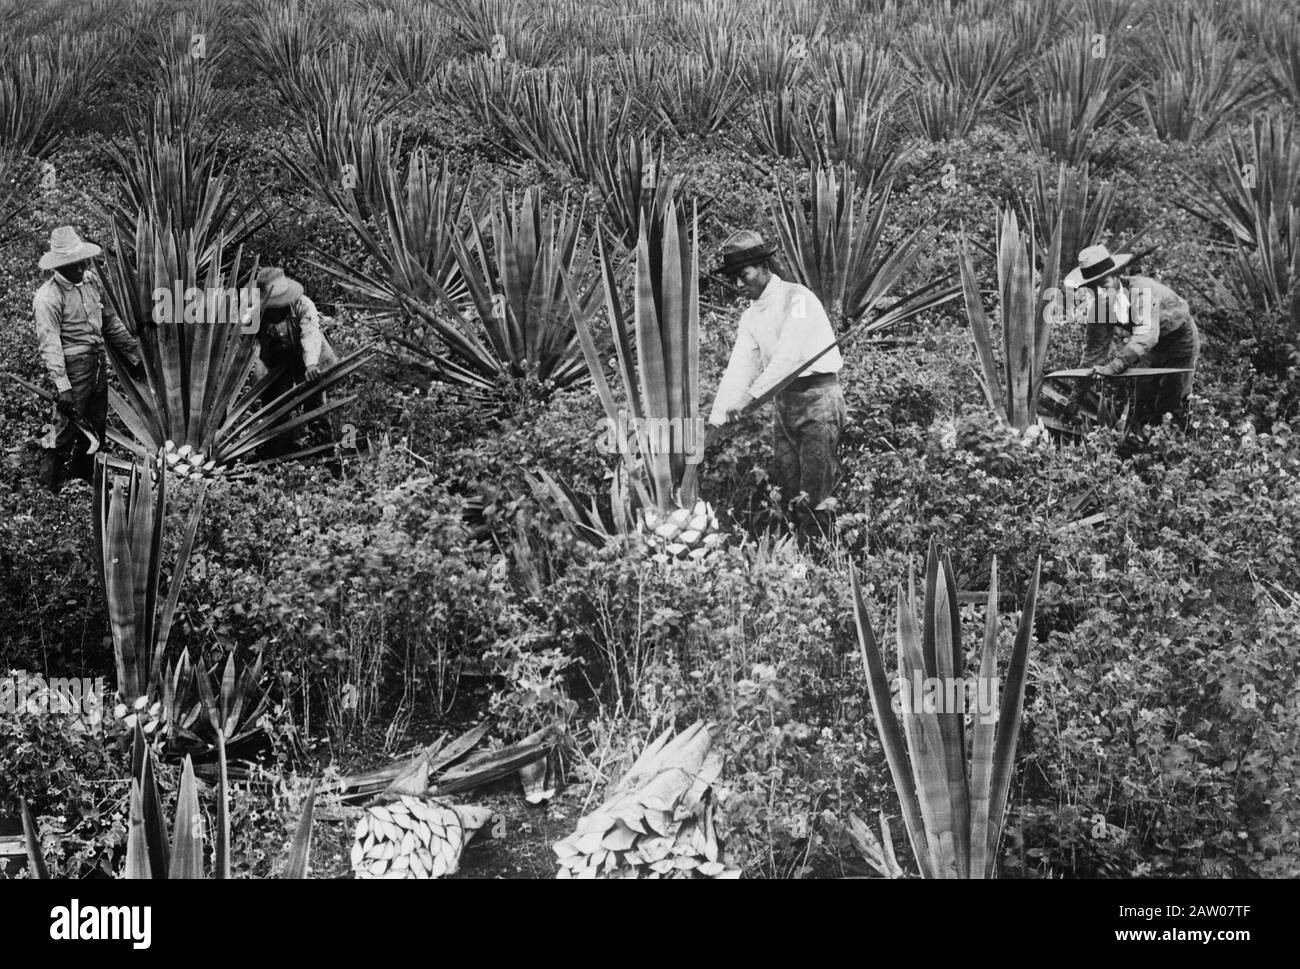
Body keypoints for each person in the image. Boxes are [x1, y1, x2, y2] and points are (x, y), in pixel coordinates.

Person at [708, 230, 845, 542]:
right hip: (784, 404)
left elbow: (789, 357)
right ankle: (796, 564)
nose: (738, 286)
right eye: (733, 279)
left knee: (815, 491)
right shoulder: (750, 317)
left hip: (818, 398)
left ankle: (821, 566)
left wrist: (750, 398)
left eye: (743, 275)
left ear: (764, 267)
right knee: (787, 489)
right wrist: (718, 419)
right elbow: (739, 367)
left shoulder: (797, 299)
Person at [31, 226, 144, 492]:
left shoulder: (92, 282)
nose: (81, 266)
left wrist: (132, 351)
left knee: (95, 428)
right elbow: (50, 345)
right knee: (61, 430)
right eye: (73, 263)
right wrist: (63, 387)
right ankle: (46, 491)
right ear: (60, 266)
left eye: (81, 259)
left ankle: (80, 484)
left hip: (96, 363)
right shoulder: (48, 297)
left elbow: (110, 322)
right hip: (72, 370)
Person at [1063, 244, 1200, 429]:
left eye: (1103, 284)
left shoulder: (1141, 292)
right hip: (1150, 348)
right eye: (1092, 287)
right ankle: (1141, 448)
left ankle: (1176, 446)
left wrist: (1115, 365)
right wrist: (1075, 399)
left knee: (1172, 400)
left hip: (1179, 339)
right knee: (1143, 399)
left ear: (1116, 276)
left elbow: (1147, 335)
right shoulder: (1100, 308)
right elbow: (1093, 355)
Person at [247, 267, 338, 455]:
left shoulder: (303, 305)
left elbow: (310, 334)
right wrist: (259, 381)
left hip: (307, 357)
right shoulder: (253, 313)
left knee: (315, 401)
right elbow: (250, 347)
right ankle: (281, 451)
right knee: (276, 406)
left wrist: (311, 363)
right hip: (278, 362)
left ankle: (324, 449)